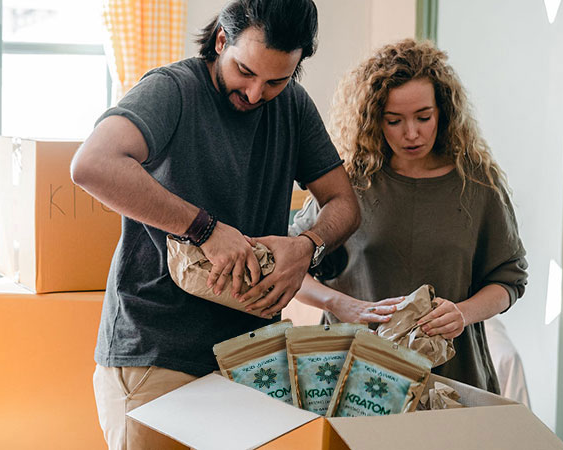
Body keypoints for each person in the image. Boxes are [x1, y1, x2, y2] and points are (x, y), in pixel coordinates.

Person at [70, 0, 360, 447]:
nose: (255, 93)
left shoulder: (294, 107)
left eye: (276, 80)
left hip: (249, 359)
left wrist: (307, 246)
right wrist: (205, 229)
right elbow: (92, 164)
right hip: (156, 354)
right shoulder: (172, 89)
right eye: (245, 71)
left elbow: (344, 203)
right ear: (222, 40)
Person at [289, 39, 528, 393]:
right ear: (374, 120)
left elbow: (509, 280)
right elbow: (290, 267)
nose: (411, 133)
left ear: (443, 111)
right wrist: (342, 304)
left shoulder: (478, 184)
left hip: (452, 374)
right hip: (354, 375)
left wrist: (463, 313)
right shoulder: (349, 184)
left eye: (423, 117)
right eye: (394, 120)